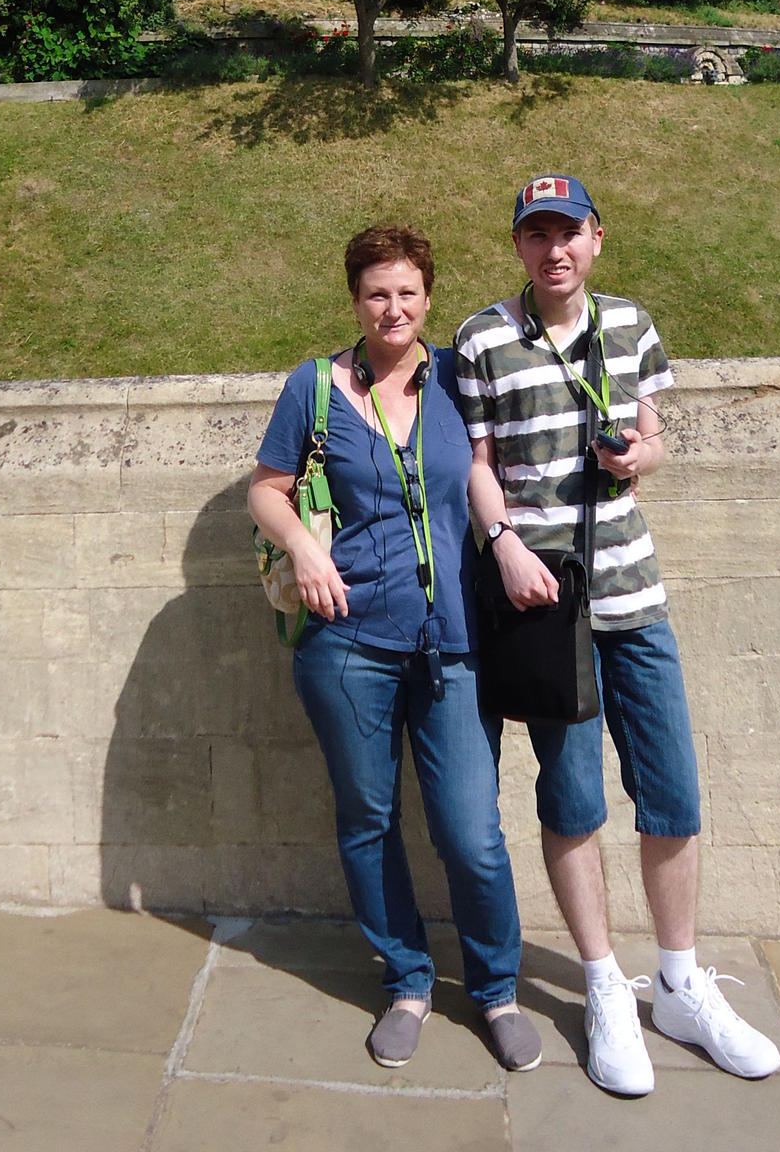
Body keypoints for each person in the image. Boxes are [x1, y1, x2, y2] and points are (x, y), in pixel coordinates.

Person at [455, 174, 780, 1097]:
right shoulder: (482, 338)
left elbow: (655, 431)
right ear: (518, 245)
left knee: (672, 790)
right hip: (541, 601)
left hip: (634, 591)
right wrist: (505, 542)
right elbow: (479, 465)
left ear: (597, 237)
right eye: (536, 234)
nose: (553, 248)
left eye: (569, 231)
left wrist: (646, 454)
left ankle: (680, 982)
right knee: (571, 796)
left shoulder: (631, 325)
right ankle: (604, 984)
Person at [248, 223, 541, 1074]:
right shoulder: (314, 387)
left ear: (427, 298)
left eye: (408, 292)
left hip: (452, 646)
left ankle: (496, 989)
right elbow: (265, 490)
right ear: (355, 299)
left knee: (471, 834)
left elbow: (505, 461)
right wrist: (305, 549)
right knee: (368, 821)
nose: (393, 308)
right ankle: (408, 980)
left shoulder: (458, 376)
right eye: (378, 292)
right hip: (346, 647)